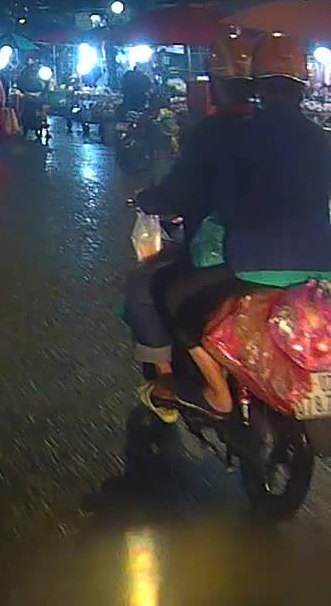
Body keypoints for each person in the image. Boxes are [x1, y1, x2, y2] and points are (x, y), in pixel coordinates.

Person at [158, 33, 331, 418]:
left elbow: (226, 203)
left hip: (254, 265)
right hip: (321, 267)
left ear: (257, 88)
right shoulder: (321, 139)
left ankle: (218, 394)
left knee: (178, 304)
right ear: (303, 88)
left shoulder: (240, 135)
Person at [125, 35, 255, 420]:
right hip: (284, 252)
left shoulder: (209, 133)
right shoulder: (273, 131)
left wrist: (152, 201)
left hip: (225, 252)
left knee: (146, 284)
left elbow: (179, 189)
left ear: (214, 87)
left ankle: (167, 381)